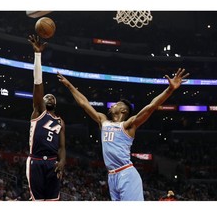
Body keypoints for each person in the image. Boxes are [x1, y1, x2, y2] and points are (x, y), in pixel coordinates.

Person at [57, 68, 189, 201]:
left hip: (126, 174)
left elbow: (151, 106)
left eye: (115, 104)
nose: (112, 106)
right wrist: (69, 85)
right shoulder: (103, 121)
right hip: (111, 177)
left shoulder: (128, 125)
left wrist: (170, 89)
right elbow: (84, 103)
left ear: (123, 110)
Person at [26, 34, 66, 201]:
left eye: (52, 97)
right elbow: (38, 82)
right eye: (46, 96)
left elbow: (62, 147)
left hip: (52, 163)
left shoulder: (60, 121)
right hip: (36, 161)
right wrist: (37, 55)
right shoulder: (38, 111)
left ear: (55, 104)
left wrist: (62, 161)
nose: (49, 97)